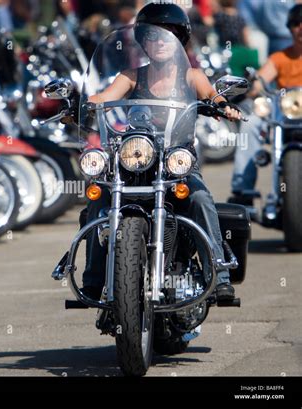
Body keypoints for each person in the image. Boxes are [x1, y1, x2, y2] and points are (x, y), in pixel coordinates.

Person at [80, 3, 243, 302]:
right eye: (153, 36)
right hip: (136, 159)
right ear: (143, 41)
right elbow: (102, 98)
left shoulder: (192, 76)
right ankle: (92, 279)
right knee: (99, 196)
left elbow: (212, 96)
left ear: (180, 40)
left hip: (176, 161)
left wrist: (223, 106)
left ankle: (218, 275)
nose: (160, 42)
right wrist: (75, 103)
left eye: (168, 35)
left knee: (200, 198)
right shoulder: (130, 76)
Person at [229, 4, 302, 204]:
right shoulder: (280, 57)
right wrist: (251, 86)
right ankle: (242, 190)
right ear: (289, 28)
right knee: (251, 122)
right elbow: (260, 80)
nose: (301, 28)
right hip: (283, 116)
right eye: (296, 23)